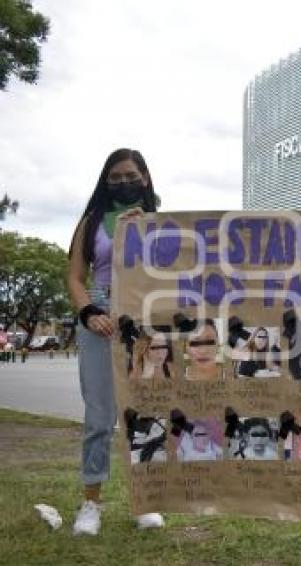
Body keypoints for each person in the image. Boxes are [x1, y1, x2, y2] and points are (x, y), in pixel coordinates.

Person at [66, 148, 164, 535]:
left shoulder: (163, 221)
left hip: (146, 315)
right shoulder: (91, 221)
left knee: (145, 412)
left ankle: (145, 501)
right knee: (99, 416)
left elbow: (177, 272)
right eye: (115, 177)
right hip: (102, 316)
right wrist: (89, 312)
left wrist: (142, 233)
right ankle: (91, 503)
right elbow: (75, 275)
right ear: (106, 182)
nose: (123, 182)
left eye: (130, 175)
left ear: (144, 176)